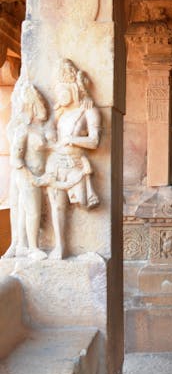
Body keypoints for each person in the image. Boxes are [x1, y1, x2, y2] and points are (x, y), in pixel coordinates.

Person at [35, 59, 101, 259]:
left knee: (77, 204)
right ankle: (61, 245)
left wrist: (72, 139)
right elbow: (50, 134)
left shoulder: (89, 110)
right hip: (56, 162)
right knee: (57, 205)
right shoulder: (61, 114)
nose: (58, 96)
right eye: (57, 91)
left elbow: (95, 141)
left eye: (62, 91)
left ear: (73, 90)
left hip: (75, 164)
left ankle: (80, 244)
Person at [2, 75, 49, 260]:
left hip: (38, 175)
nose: (43, 110)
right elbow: (15, 158)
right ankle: (32, 247)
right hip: (27, 176)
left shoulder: (38, 129)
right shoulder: (23, 130)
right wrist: (28, 174)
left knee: (31, 210)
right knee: (31, 211)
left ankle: (26, 245)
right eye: (39, 106)